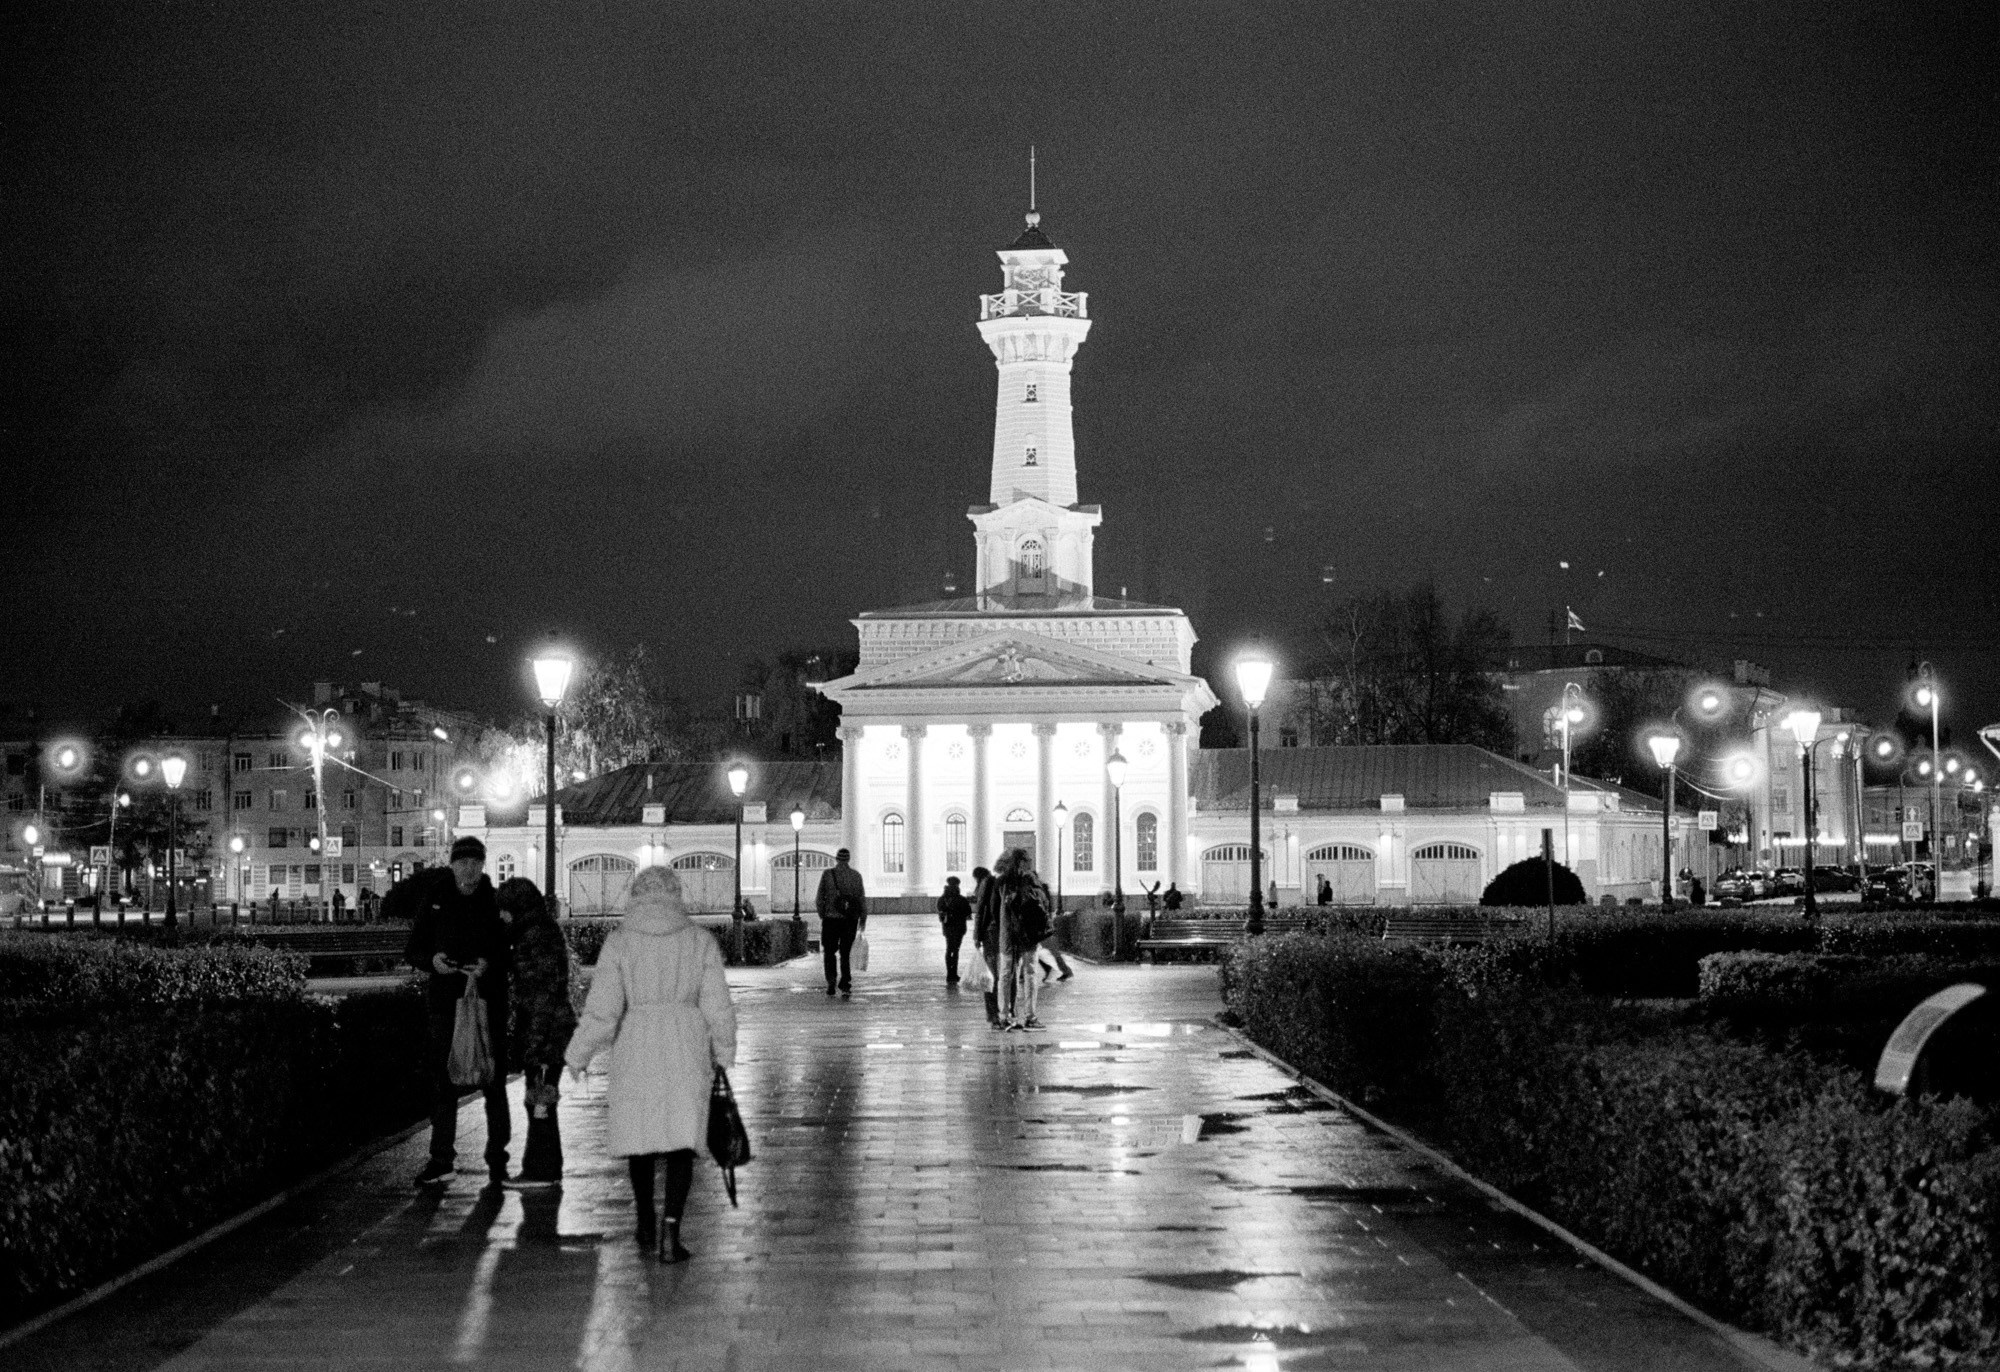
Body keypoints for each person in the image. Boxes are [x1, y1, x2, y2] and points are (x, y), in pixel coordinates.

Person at [564, 866, 737, 1264]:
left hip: (635, 1041)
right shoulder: (699, 941)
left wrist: (578, 1053)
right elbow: (718, 1007)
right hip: (685, 1045)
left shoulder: (620, 942)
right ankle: (671, 1233)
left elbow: (603, 1010)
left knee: (639, 1138)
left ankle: (644, 1220)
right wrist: (724, 1053)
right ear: (677, 896)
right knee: (681, 1143)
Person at [404, 837, 512, 1188]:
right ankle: (441, 1159)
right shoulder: (436, 898)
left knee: (493, 1080)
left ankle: (498, 1159)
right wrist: (433, 961)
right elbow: (414, 948)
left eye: (474, 862)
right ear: (452, 865)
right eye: (461, 862)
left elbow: (508, 951)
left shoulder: (494, 902)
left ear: (482, 865)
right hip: (445, 1001)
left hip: (487, 1000)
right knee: (443, 1080)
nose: (468, 868)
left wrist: (489, 964)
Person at [497, 877, 576, 1188]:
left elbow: (541, 992)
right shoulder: (538, 931)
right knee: (542, 1101)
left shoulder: (534, 937)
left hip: (545, 1033)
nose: (501, 916)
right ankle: (544, 1167)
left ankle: (540, 1170)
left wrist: (536, 1045)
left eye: (504, 909)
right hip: (551, 1030)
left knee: (539, 1101)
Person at [977, 848, 1053, 1031]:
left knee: (1005, 975)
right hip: (1029, 936)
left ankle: (1005, 1017)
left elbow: (994, 910)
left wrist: (1007, 923)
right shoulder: (1033, 880)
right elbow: (1046, 904)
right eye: (1028, 860)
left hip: (1009, 935)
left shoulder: (1001, 882)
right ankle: (1030, 1017)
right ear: (1022, 862)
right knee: (1030, 974)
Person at [814, 847, 867, 998]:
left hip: (831, 920)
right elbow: (861, 899)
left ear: (836, 859)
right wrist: (863, 919)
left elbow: (819, 898)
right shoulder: (856, 876)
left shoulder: (828, 874)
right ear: (848, 859)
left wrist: (823, 915)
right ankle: (845, 984)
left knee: (829, 952)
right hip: (850, 920)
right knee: (845, 953)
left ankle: (831, 981)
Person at [936, 875, 971, 983]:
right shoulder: (961, 899)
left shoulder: (942, 899)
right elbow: (967, 913)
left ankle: (949, 974)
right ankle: (954, 974)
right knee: (955, 950)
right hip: (959, 928)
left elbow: (939, 910)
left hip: (947, 927)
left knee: (949, 949)